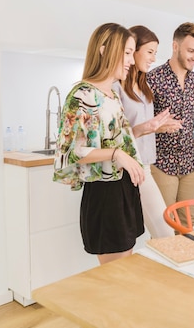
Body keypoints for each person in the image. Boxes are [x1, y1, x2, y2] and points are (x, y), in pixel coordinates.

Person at [53, 22, 145, 265]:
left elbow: (120, 139)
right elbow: (70, 152)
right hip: (105, 194)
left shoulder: (112, 95)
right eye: (127, 53)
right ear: (105, 50)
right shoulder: (81, 95)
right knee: (116, 274)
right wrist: (116, 154)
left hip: (123, 189)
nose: (132, 61)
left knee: (127, 263)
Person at [117, 25, 181, 238]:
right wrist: (146, 128)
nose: (154, 58)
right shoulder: (117, 87)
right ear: (133, 50)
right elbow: (120, 135)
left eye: (155, 52)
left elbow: (140, 127)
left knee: (163, 232)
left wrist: (159, 127)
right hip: (127, 169)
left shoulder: (143, 86)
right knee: (163, 233)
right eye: (150, 52)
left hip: (144, 165)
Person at [147, 22, 194, 229]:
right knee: (165, 226)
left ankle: (187, 261)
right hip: (161, 163)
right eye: (191, 50)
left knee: (187, 224)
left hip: (190, 163)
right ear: (175, 46)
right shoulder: (152, 78)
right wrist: (157, 127)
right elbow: (139, 122)